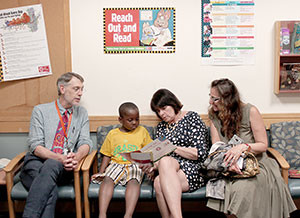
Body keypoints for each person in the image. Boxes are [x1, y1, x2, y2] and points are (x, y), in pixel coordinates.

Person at [207, 78, 296, 218]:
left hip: (257, 164)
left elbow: (263, 145)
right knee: (226, 189)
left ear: (228, 99)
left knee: (241, 190)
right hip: (228, 165)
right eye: (210, 97)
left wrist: (243, 147)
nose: (211, 102)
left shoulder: (250, 111)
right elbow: (216, 147)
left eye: (215, 99)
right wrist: (227, 164)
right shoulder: (214, 115)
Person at [20, 72, 92, 218]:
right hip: (36, 163)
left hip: (64, 168)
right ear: (62, 88)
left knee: (52, 166)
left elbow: (86, 142)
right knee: (50, 190)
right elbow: (35, 145)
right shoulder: (40, 110)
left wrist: (76, 157)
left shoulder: (81, 113)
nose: (80, 93)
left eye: (82, 89)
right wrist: (59, 158)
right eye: (76, 89)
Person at [141, 88, 209, 218]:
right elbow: (158, 155)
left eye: (164, 108)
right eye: (158, 111)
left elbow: (199, 153)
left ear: (173, 103)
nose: (161, 113)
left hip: (192, 168)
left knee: (163, 169)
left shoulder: (191, 118)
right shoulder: (161, 127)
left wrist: (171, 147)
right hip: (168, 169)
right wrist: (152, 167)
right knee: (158, 180)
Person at [91, 102, 152, 218]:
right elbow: (107, 155)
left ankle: (128, 215)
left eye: (137, 119)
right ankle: (102, 214)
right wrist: (101, 172)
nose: (134, 122)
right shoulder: (112, 134)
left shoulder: (142, 131)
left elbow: (149, 152)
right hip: (116, 164)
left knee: (134, 181)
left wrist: (146, 164)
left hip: (135, 164)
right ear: (120, 119)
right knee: (108, 180)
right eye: (130, 120)